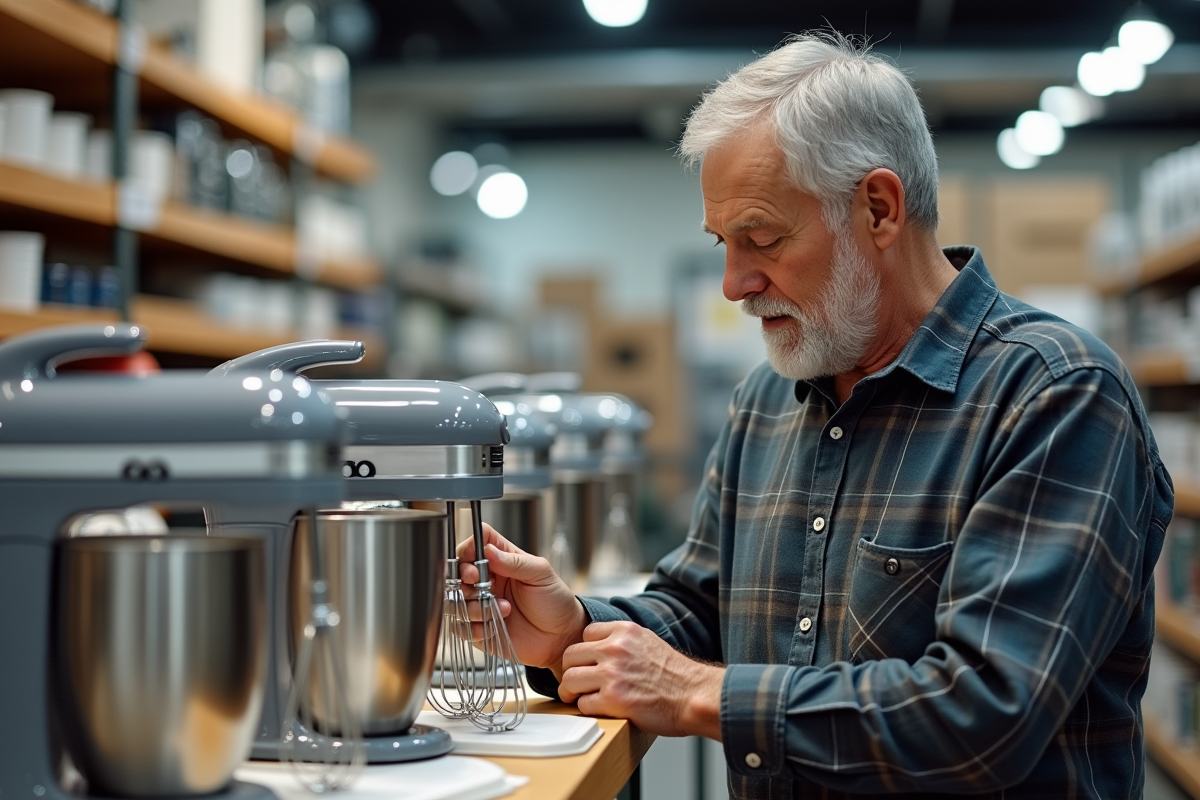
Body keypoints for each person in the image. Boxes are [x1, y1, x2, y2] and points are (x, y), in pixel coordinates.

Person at [459, 32, 1173, 799]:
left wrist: (698, 693)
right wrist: (574, 631)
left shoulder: (1055, 395)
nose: (733, 283)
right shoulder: (768, 399)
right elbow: (699, 605)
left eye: (761, 239)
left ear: (878, 209)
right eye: (723, 243)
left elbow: (984, 709)